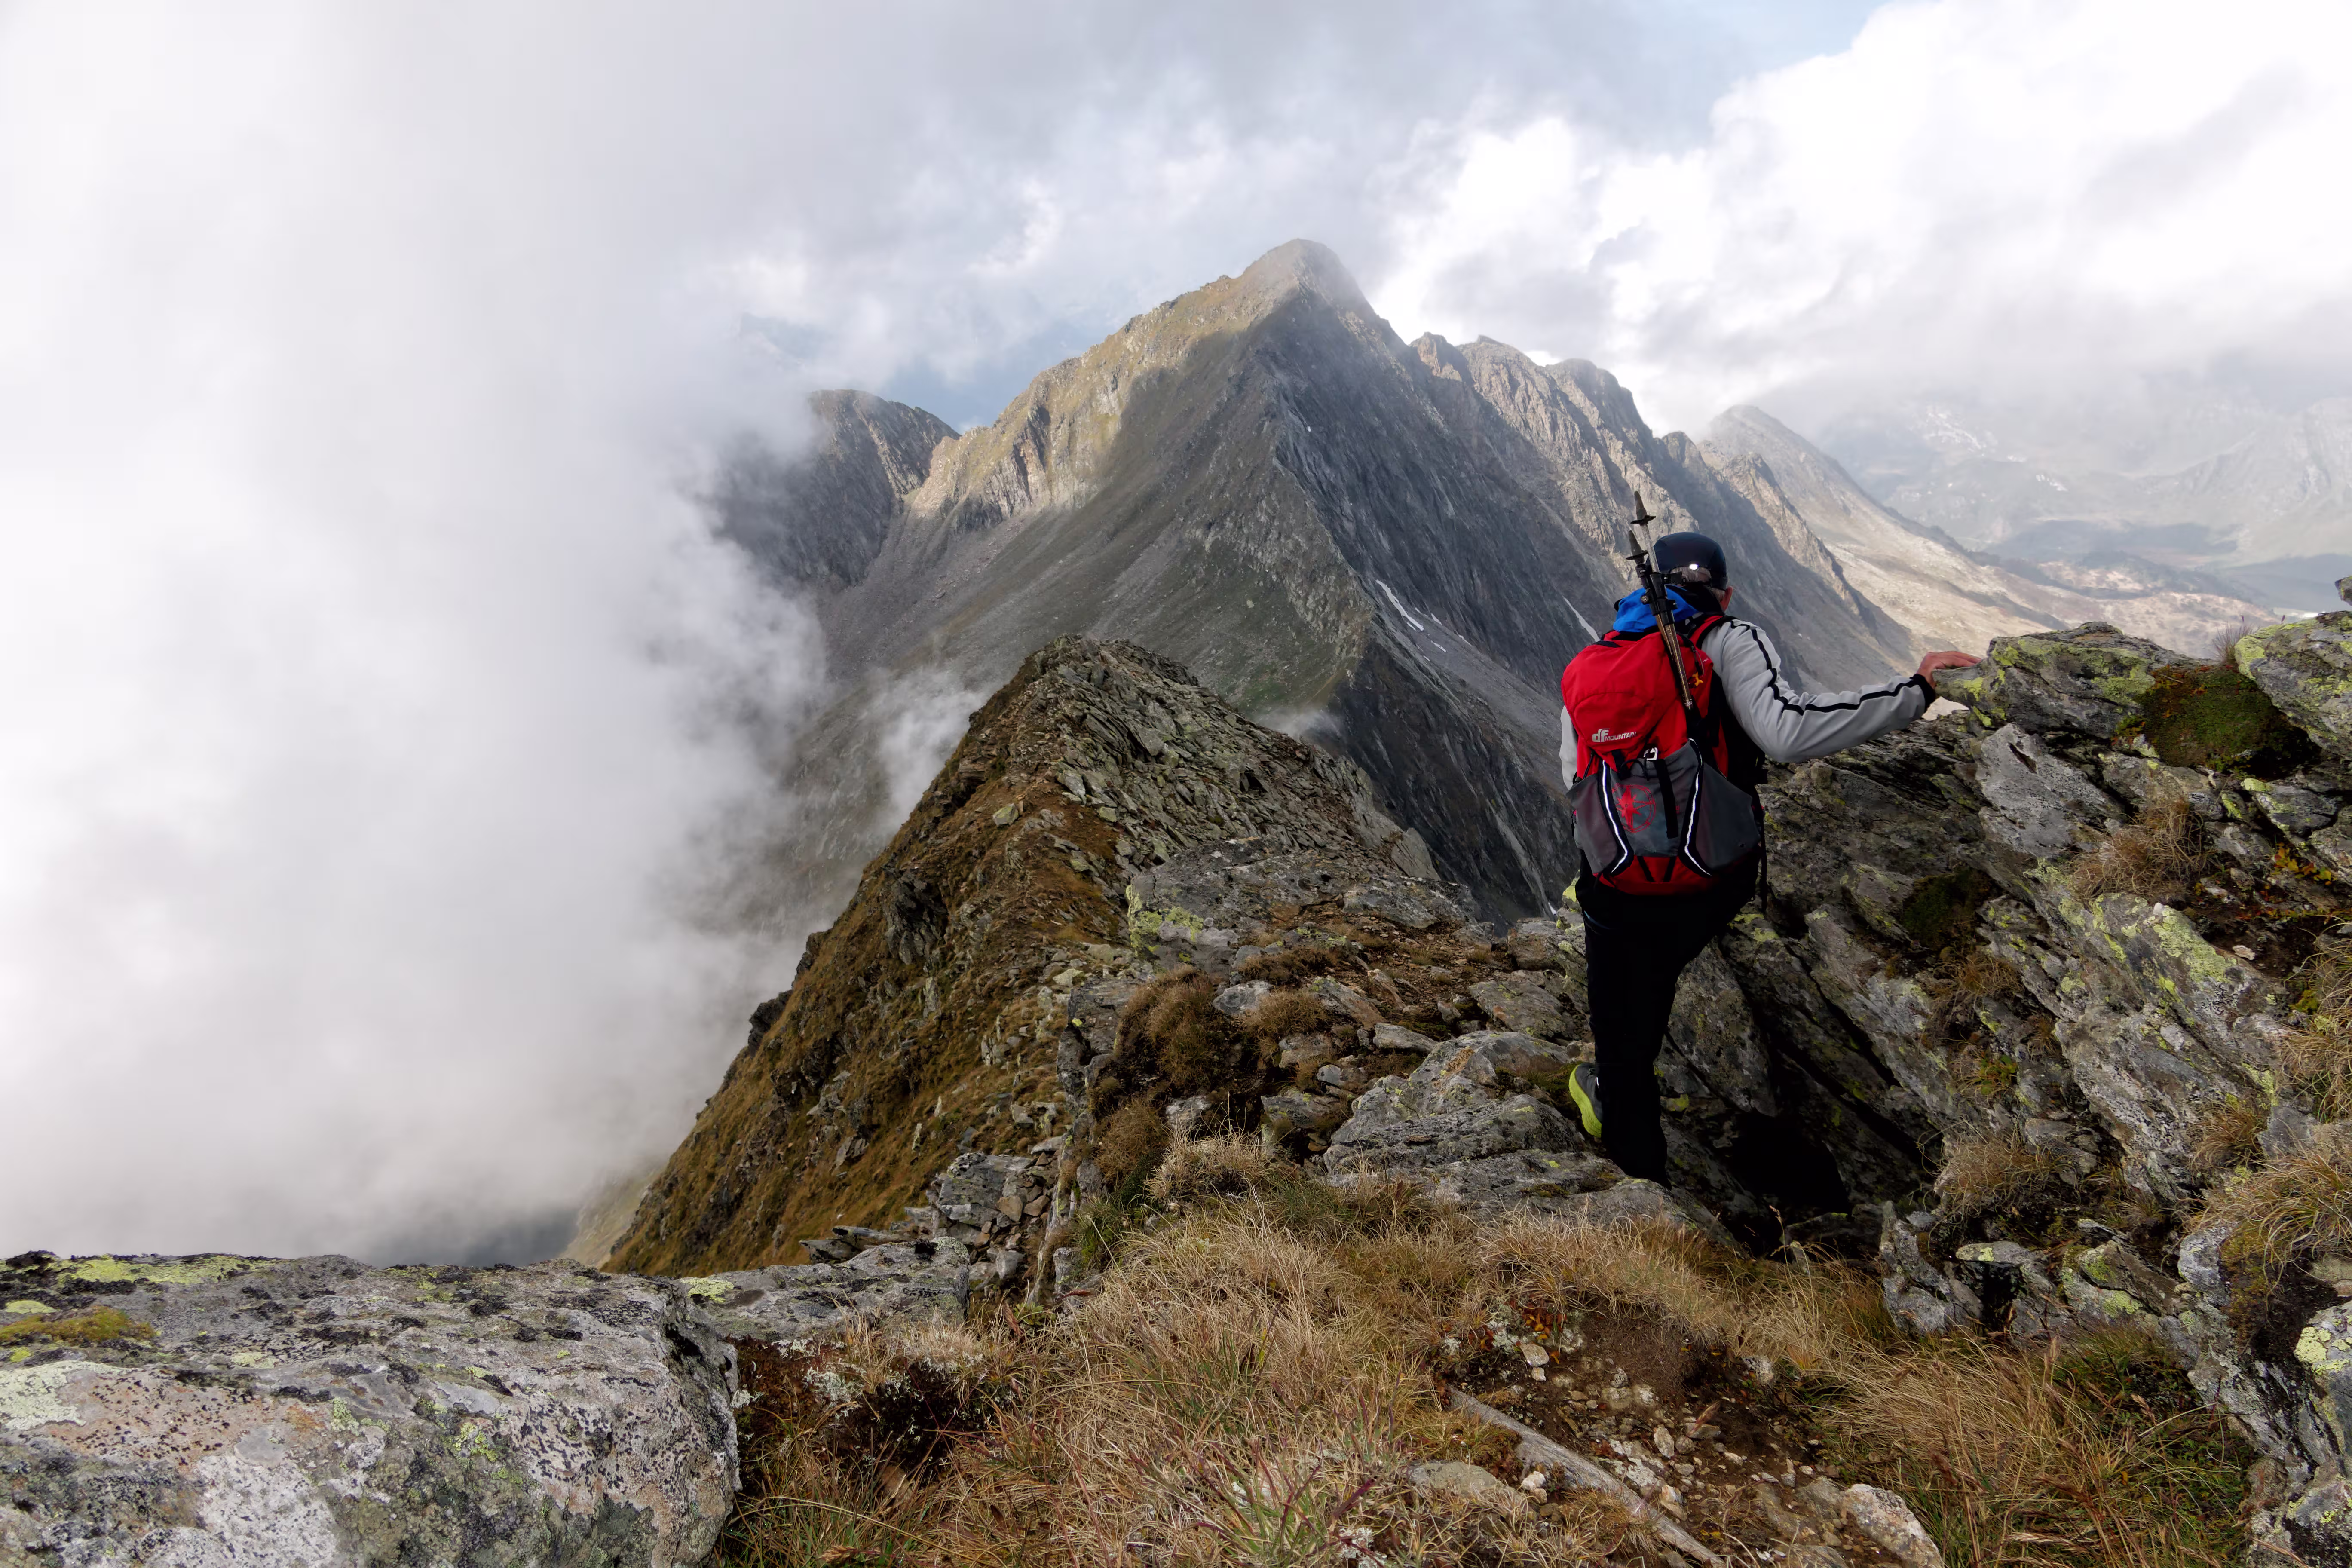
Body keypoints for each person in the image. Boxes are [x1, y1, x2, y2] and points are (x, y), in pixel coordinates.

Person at [1558, 530, 1978, 1185]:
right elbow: (1785, 732)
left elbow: (1575, 776)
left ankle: (1642, 1190)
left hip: (1615, 886)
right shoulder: (1728, 638)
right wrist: (1917, 689)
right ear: (1723, 593)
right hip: (1714, 880)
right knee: (1663, 963)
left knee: (1623, 1044)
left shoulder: (1591, 663)